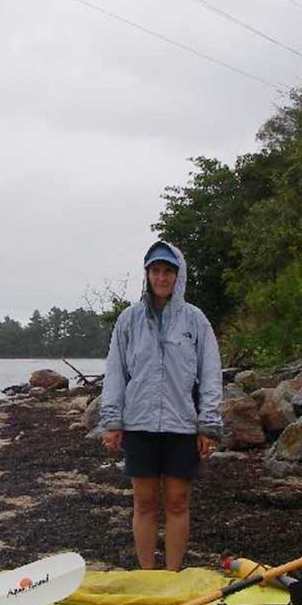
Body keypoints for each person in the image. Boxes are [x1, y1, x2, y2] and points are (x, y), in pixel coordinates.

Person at [99, 240, 222, 571]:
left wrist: (208, 425)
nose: (162, 277)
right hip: (138, 425)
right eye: (156, 270)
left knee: (178, 502)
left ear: (178, 275)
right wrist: (112, 422)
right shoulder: (128, 320)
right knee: (144, 502)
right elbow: (115, 372)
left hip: (182, 425)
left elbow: (210, 374)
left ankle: (172, 575)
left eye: (168, 270)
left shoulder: (195, 321)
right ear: (147, 274)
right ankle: (147, 575)